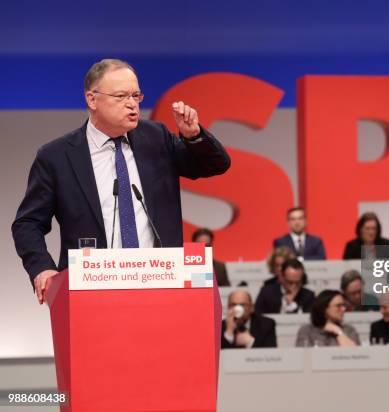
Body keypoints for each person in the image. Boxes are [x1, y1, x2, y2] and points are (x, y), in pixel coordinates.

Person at [12, 59, 231, 304]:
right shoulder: (56, 156)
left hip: (163, 288)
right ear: (91, 99)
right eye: (121, 96)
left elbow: (216, 165)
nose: (132, 104)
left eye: (136, 96)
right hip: (91, 295)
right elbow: (28, 223)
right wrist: (42, 268)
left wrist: (193, 135)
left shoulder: (156, 139)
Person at [295, 290, 360, 347]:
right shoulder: (307, 331)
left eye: (344, 305)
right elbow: (302, 355)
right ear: (324, 308)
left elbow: (355, 355)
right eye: (338, 306)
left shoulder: (349, 331)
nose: (343, 309)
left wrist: (339, 332)